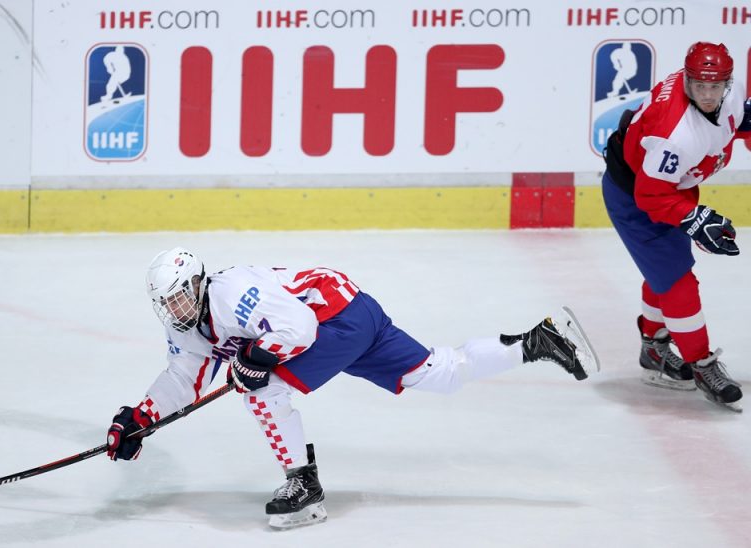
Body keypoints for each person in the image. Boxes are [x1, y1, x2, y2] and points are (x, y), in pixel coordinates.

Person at [106, 247, 599, 529]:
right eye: (166, 304)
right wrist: (141, 418)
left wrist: (256, 358)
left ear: (198, 282)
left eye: (181, 297)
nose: (176, 310)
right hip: (353, 308)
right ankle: (539, 341)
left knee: (263, 388)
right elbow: (183, 378)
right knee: (437, 373)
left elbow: (298, 327)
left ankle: (303, 482)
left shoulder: (233, 293)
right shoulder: (185, 326)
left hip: (332, 319)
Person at [602, 42, 751, 411]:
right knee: (679, 283)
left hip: (670, 188)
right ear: (687, 80)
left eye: (714, 86)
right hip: (636, 198)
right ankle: (701, 364)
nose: (706, 94)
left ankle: (653, 347)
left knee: (665, 272)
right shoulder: (674, 134)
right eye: (698, 85)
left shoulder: (728, 96)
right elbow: (650, 197)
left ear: (727, 84)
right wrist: (695, 218)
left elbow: (739, 122)